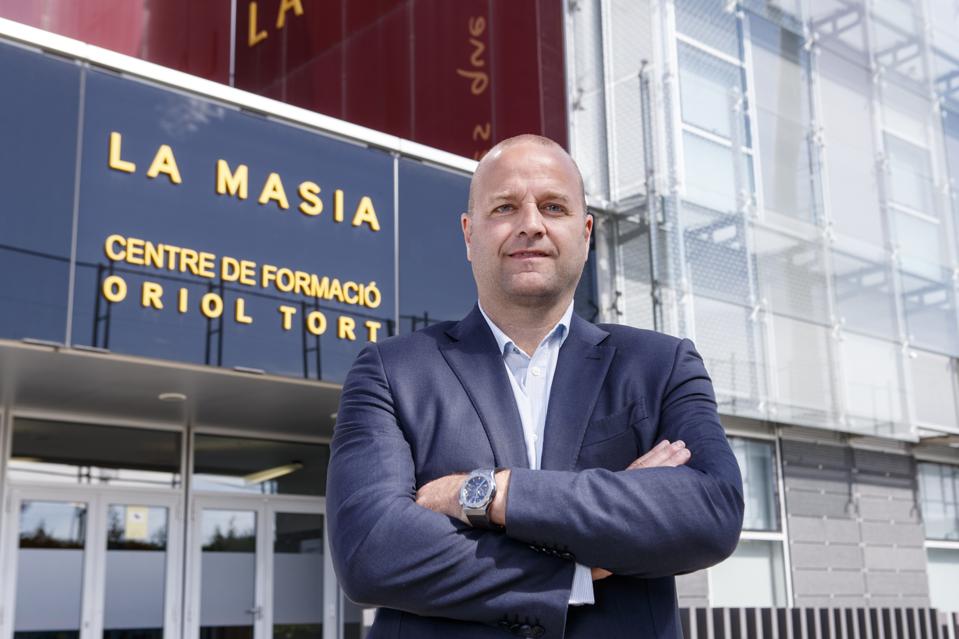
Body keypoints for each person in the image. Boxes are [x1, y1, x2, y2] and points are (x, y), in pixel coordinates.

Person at [327, 134, 744, 639]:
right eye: (504, 207)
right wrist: (578, 568)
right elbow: (370, 551)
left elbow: (710, 512)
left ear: (586, 233)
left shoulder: (661, 365)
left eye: (553, 206)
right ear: (468, 233)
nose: (530, 224)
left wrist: (483, 493)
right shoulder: (392, 372)